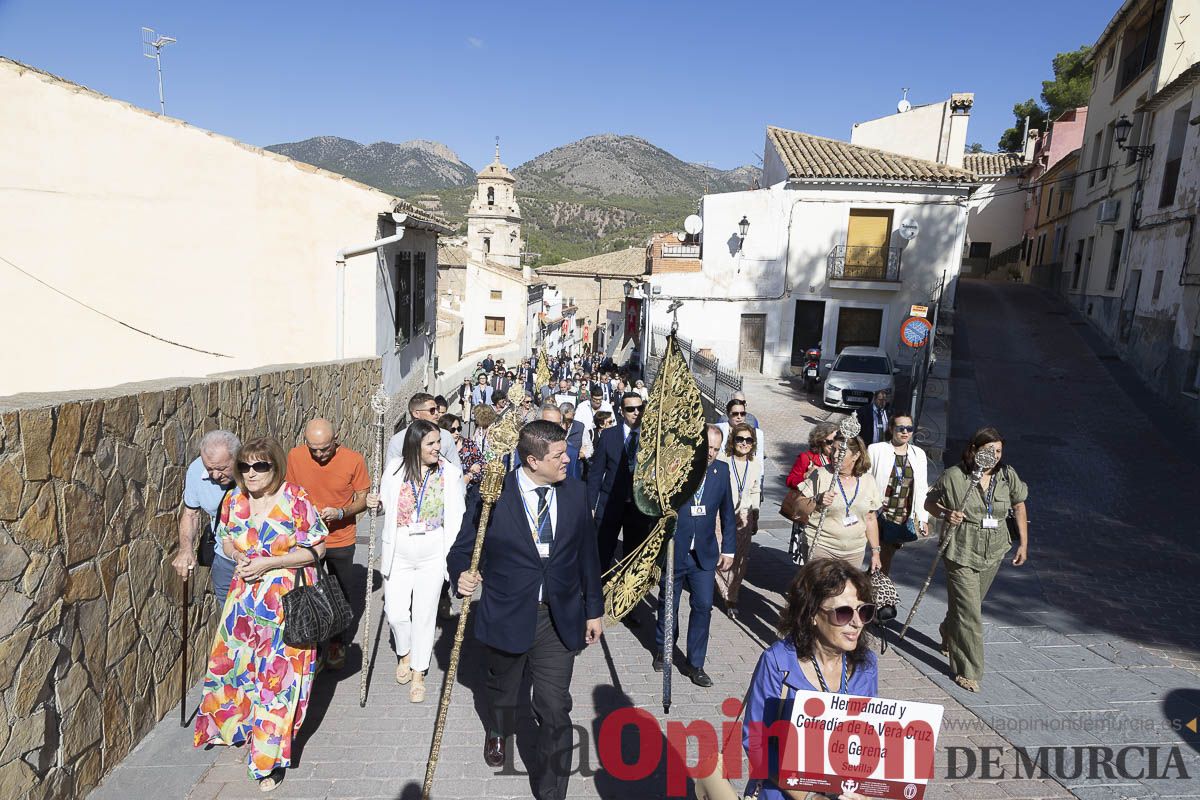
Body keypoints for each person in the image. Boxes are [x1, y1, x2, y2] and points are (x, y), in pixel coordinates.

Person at [448, 421, 604, 800]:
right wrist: (462, 576)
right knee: (503, 690)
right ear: (533, 460)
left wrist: (593, 609)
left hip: (558, 617)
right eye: (558, 455)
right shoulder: (492, 494)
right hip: (507, 613)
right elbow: (463, 549)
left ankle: (551, 792)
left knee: (554, 707)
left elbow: (588, 553)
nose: (568, 459)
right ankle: (498, 728)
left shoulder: (575, 492)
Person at [193, 436, 327, 791]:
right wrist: (238, 556)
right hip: (244, 605)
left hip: (288, 603)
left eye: (260, 466)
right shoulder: (235, 500)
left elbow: (318, 548)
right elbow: (225, 538)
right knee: (240, 672)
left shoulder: (295, 498)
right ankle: (241, 730)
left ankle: (267, 759)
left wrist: (272, 562)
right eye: (245, 466)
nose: (251, 473)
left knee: (279, 682)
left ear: (275, 466)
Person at [742, 559, 879, 800]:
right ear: (813, 615)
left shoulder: (866, 665)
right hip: (784, 791)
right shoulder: (778, 663)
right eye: (844, 612)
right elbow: (755, 742)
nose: (857, 622)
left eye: (863, 610)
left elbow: (868, 739)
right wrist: (809, 796)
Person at [368, 420, 465, 702]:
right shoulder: (395, 470)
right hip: (400, 546)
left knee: (424, 613)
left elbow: (457, 516)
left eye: (438, 443)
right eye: (431, 444)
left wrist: (458, 558)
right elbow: (385, 504)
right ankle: (405, 651)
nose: (438, 448)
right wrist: (377, 504)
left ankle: (419, 671)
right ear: (415, 445)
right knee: (396, 612)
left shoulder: (449, 473)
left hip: (432, 547)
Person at [926, 427, 1028, 692]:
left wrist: (1024, 544)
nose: (993, 456)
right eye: (988, 450)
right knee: (971, 614)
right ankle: (968, 670)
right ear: (973, 450)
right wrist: (946, 513)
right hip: (961, 550)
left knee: (968, 606)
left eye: (998, 451)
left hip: (994, 550)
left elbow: (1019, 505)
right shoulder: (953, 477)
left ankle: (949, 629)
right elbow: (930, 503)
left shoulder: (1007, 476)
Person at [285, 419, 370, 671]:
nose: (319, 455)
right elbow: (289, 491)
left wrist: (342, 512)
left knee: (340, 592)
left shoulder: (353, 460)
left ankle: (337, 642)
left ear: (336, 439)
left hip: (340, 538)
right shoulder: (295, 456)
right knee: (310, 593)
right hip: (308, 540)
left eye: (324, 448)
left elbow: (363, 498)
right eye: (314, 449)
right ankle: (315, 645)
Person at [654, 425, 735, 687]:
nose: (710, 453)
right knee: (669, 603)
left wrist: (729, 549)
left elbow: (728, 513)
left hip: (704, 553)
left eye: (715, 448)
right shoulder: (677, 466)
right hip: (675, 549)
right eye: (707, 447)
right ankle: (664, 648)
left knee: (703, 607)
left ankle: (695, 663)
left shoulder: (721, 471)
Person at [587, 391, 655, 573]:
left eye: (640, 408)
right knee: (602, 555)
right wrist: (590, 505)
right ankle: (596, 595)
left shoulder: (652, 438)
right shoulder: (609, 436)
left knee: (633, 560)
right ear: (621, 411)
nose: (636, 412)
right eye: (630, 409)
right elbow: (595, 474)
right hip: (610, 505)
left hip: (639, 508)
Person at [173, 430, 240, 609]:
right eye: (210, 468)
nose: (215, 475)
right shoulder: (196, 470)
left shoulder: (256, 470)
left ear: (237, 458)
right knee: (229, 619)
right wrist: (185, 550)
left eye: (222, 468)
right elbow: (190, 514)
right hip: (224, 558)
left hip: (258, 559)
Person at [794, 436, 883, 571]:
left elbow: (870, 518)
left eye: (841, 451)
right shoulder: (821, 474)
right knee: (824, 590)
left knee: (846, 591)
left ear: (856, 455)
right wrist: (817, 499)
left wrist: (875, 552)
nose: (834, 455)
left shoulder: (868, 480)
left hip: (855, 551)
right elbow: (798, 507)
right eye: (833, 450)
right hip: (822, 546)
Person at [867, 415, 930, 575]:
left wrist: (923, 518)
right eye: (900, 428)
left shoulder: (918, 454)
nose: (905, 432)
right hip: (880, 513)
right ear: (891, 429)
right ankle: (876, 591)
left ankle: (871, 588)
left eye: (909, 428)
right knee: (882, 556)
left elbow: (922, 486)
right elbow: (866, 479)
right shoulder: (876, 450)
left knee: (885, 556)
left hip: (902, 515)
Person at [716, 422, 762, 620]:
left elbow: (755, 490)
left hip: (744, 515)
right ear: (732, 440)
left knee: (739, 560)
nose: (744, 443)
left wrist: (756, 514)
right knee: (717, 554)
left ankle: (731, 597)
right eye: (740, 439)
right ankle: (719, 586)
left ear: (753, 444)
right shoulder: (722, 459)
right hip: (720, 513)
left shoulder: (755, 465)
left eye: (748, 440)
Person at [387, 393, 461, 468]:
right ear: (416, 413)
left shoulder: (446, 436)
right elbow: (391, 471)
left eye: (437, 409)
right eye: (432, 410)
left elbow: (456, 468)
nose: (436, 413)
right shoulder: (398, 440)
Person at [716, 398, 767, 498]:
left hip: (746, 480)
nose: (739, 417)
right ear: (728, 414)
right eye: (735, 414)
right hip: (723, 479)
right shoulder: (719, 430)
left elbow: (759, 459)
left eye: (742, 414)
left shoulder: (757, 434)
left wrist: (759, 483)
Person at [785, 422, 839, 489]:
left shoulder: (842, 457)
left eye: (835, 442)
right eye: (829, 442)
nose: (832, 445)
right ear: (820, 440)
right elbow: (789, 481)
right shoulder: (806, 457)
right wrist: (806, 476)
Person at [441, 413, 483, 487]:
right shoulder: (439, 448)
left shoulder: (469, 444)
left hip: (469, 491)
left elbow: (483, 464)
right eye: (452, 430)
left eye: (459, 429)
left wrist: (470, 476)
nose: (457, 433)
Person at [559, 402, 586, 480]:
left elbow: (588, 447)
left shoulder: (580, 427)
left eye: (569, 420)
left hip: (575, 467)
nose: (567, 423)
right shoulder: (556, 427)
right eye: (564, 420)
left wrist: (581, 454)